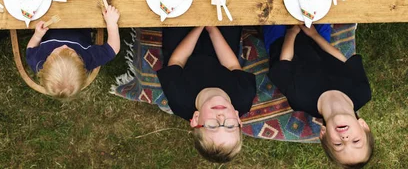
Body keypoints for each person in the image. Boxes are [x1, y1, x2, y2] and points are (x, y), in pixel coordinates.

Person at [265, 24, 373, 167]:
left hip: (281, 43)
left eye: (338, 144)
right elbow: (343, 61)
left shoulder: (301, 100)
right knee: (319, 7)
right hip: (318, 41)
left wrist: (292, 32)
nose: (345, 138)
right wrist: (314, 35)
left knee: (272, 15)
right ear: (363, 126)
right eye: (356, 141)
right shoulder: (362, 92)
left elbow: (283, 62)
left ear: (323, 133)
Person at [157, 26, 256, 162]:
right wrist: (211, 29)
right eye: (230, 126)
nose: (221, 118)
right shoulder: (243, 97)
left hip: (184, 51)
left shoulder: (179, 98)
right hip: (220, 51)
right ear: (238, 120)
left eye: (212, 126)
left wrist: (199, 26)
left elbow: (177, 61)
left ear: (196, 119)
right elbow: (232, 66)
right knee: (228, 15)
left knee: (176, 16)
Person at [26, 5, 120, 98]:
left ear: (45, 64)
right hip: (81, 18)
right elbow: (113, 48)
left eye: (57, 51)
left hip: (48, 19)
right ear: (82, 66)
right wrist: (112, 24)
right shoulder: (88, 59)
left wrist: (37, 36)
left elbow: (31, 48)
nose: (64, 46)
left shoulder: (37, 61)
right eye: (71, 52)